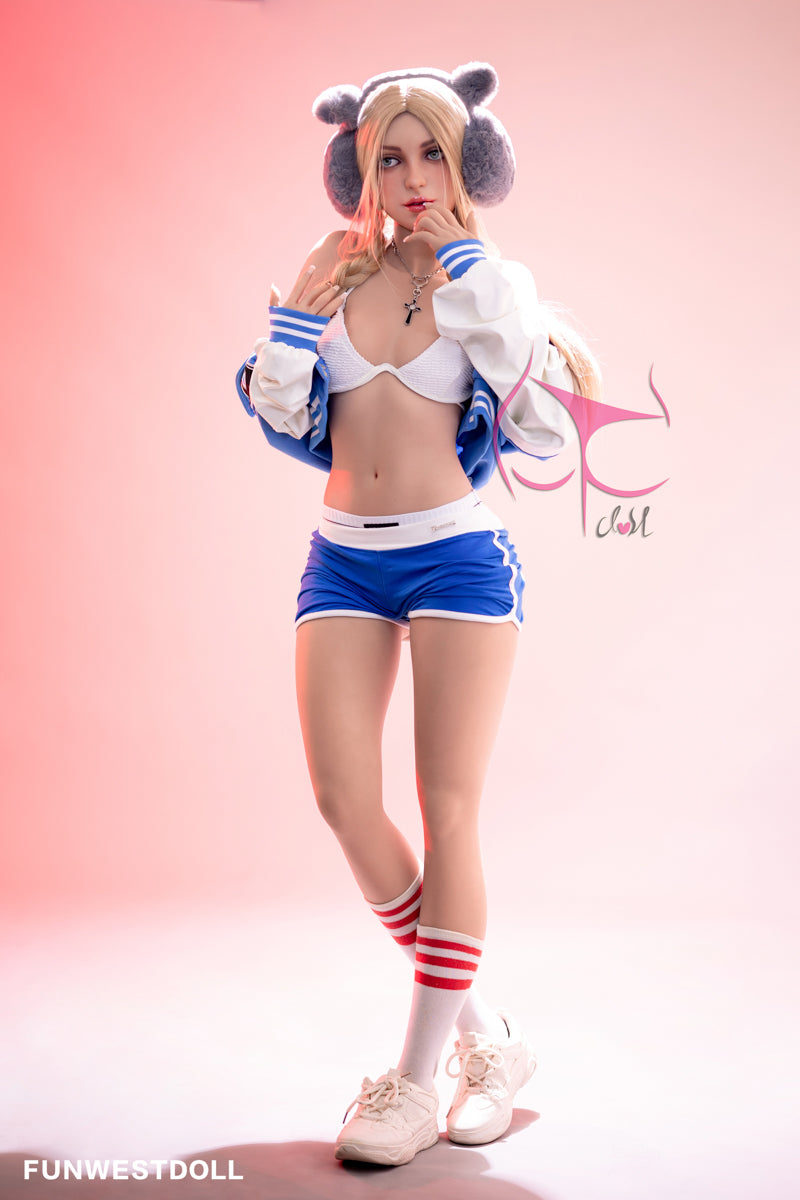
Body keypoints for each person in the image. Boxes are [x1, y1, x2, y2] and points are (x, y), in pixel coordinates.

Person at [236, 62, 601, 1167]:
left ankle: (410, 1079)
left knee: (448, 811)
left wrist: (475, 280)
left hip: (457, 561)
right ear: (356, 166)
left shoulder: (493, 284)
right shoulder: (333, 268)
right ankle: (489, 1041)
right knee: (345, 802)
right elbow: (280, 405)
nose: (409, 177)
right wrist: (293, 320)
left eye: (431, 153)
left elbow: (544, 429)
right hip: (343, 561)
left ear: (467, 162)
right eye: (385, 156)